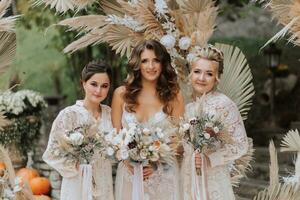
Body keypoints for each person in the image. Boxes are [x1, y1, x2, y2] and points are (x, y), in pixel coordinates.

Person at [112, 39, 184, 200]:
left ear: (163, 63)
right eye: (145, 61)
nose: (150, 66)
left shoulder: (174, 95)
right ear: (137, 64)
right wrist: (125, 160)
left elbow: (178, 140)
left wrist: (157, 162)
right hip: (130, 174)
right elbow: (114, 137)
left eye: (156, 60)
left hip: (163, 175)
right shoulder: (120, 95)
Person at [181, 46, 248, 200]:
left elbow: (240, 144)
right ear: (190, 74)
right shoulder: (187, 107)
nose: (202, 78)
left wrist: (210, 159)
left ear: (217, 77)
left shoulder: (224, 104)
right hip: (188, 179)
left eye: (209, 74)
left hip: (214, 181)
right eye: (197, 71)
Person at [43, 61, 114, 200]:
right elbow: (51, 153)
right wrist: (75, 165)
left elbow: (118, 147)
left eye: (104, 86)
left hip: (104, 181)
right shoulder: (69, 114)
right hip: (77, 182)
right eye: (94, 84)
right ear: (83, 83)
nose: (98, 90)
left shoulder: (110, 114)